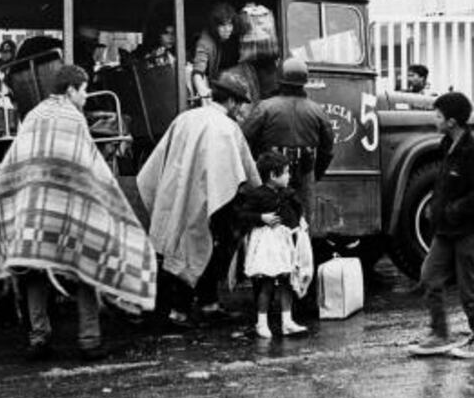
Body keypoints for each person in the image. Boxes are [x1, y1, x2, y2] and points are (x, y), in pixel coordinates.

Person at [0, 65, 157, 361]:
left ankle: (39, 338)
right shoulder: (73, 119)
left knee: (34, 271)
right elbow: (88, 166)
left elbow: (17, 161)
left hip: (33, 210)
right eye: (83, 91)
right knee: (85, 268)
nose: (85, 97)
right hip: (67, 210)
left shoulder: (34, 115)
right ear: (70, 90)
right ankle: (89, 340)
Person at [137, 72, 261, 326]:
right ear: (233, 102)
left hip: (177, 194)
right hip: (212, 199)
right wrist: (258, 194)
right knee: (207, 249)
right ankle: (185, 310)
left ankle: (203, 305)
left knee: (182, 247)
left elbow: (158, 159)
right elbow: (243, 172)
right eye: (240, 104)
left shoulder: (185, 118)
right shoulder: (228, 128)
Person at [408, 92, 474, 358]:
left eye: (438, 116)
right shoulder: (447, 145)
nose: (434, 119)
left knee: (470, 287)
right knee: (429, 277)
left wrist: (452, 210)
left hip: (471, 231)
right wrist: (435, 209)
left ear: (452, 121)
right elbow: (444, 184)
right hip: (446, 230)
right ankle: (440, 334)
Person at [242, 58, 334, 221]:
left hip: (271, 176)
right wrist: (313, 174)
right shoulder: (317, 111)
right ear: (304, 82)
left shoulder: (265, 107)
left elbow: (244, 140)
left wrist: (256, 169)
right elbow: (327, 151)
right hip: (305, 173)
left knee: (271, 222)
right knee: (302, 222)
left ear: (280, 81)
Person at [236, 151, 312, 339]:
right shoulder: (257, 195)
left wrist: (299, 223)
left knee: (287, 280)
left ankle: (287, 321)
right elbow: (243, 216)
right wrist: (261, 217)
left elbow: (297, 210)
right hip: (266, 243)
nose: (289, 176)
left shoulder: (289, 193)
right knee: (267, 282)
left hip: (284, 241)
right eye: (285, 172)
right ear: (272, 175)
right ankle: (261, 322)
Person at [190, 2, 240, 99]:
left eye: (230, 24)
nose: (227, 29)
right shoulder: (205, 42)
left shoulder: (227, 39)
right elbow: (198, 70)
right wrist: (202, 89)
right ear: (214, 26)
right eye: (222, 25)